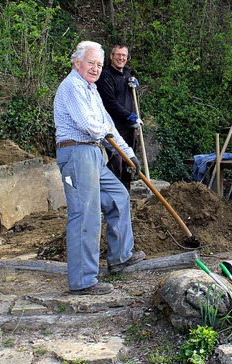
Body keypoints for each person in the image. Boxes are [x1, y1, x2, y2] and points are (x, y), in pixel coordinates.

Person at [54, 41, 145, 295]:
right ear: (77, 62)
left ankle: (120, 258)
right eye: (91, 63)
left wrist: (128, 154)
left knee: (118, 196)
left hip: (94, 151)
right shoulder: (72, 87)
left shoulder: (91, 89)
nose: (95, 69)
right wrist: (108, 136)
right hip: (76, 152)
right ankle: (83, 281)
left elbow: (107, 126)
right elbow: (91, 125)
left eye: (99, 65)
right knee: (85, 214)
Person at [95, 44, 141, 192]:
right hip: (114, 127)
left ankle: (126, 195)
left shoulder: (127, 74)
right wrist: (129, 116)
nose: (121, 58)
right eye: (118, 55)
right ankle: (113, 196)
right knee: (117, 163)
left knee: (129, 164)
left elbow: (129, 98)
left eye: (124, 55)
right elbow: (111, 103)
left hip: (129, 127)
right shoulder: (105, 76)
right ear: (111, 56)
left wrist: (134, 85)